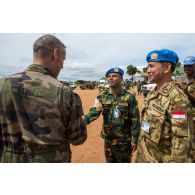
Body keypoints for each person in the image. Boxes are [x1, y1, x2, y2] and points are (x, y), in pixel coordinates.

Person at [0, 34, 87, 163]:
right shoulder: (63, 92)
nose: (62, 65)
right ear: (55, 54)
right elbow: (78, 138)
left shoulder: (3, 84)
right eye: (63, 59)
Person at [136, 49, 193, 163]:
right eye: (148, 67)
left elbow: (181, 141)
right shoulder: (152, 92)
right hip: (144, 156)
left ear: (166, 68)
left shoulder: (177, 99)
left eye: (151, 66)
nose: (148, 71)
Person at [84, 67, 140, 163]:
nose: (110, 78)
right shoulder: (102, 96)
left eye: (114, 76)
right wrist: (80, 121)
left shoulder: (129, 97)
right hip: (108, 139)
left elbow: (135, 119)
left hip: (124, 141)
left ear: (121, 79)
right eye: (109, 76)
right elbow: (94, 112)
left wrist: (135, 139)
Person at [177, 56, 195, 161]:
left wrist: (187, 92)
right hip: (183, 116)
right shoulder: (181, 78)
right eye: (185, 66)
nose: (187, 68)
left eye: (190, 66)